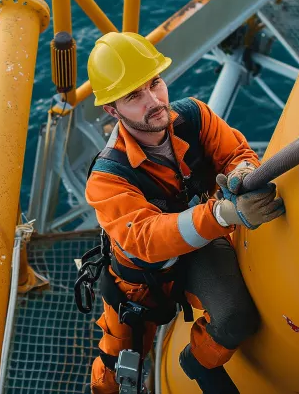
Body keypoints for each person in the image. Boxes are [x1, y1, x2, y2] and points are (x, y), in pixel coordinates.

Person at [84, 32, 285, 394]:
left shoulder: (194, 116)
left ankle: (197, 362)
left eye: (154, 84)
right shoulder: (106, 179)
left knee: (236, 319)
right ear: (111, 110)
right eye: (134, 96)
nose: (154, 101)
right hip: (142, 282)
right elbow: (146, 238)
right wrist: (222, 215)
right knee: (117, 369)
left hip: (198, 246)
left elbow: (236, 152)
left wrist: (240, 173)